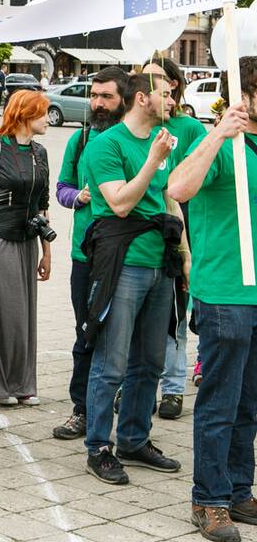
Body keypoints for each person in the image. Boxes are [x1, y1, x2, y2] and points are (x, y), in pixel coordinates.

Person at [168, 58, 257, 542]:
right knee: (220, 402)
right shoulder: (224, 145)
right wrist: (219, 133)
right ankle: (209, 500)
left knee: (250, 403)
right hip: (225, 291)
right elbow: (178, 187)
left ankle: (240, 490)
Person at [82, 72, 183, 486]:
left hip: (160, 262)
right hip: (123, 263)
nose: (173, 100)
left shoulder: (163, 141)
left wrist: (185, 257)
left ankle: (134, 439)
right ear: (142, 99)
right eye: (166, 94)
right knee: (112, 362)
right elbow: (120, 203)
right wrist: (152, 162)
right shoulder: (105, 145)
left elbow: (170, 200)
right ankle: (98, 447)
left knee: (151, 361)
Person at [52, 66, 128, 441]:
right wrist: (75, 196)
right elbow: (62, 188)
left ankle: (124, 408)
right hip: (86, 253)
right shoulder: (79, 140)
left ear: (124, 100)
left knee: (125, 337)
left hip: (126, 255)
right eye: (94, 96)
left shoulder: (132, 140)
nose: (97, 103)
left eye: (106, 97)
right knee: (86, 331)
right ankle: (80, 409)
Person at [0, 90, 52, 406]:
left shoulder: (40, 152)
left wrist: (47, 252)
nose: (48, 119)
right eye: (43, 113)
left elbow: (42, 202)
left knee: (24, 317)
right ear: (26, 114)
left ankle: (22, 383)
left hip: (28, 241)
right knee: (0, 316)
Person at [140, 56, 206, 420]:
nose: (148, 88)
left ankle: (174, 388)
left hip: (183, 227)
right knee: (144, 318)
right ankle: (142, 388)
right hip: (145, 233)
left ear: (174, 86)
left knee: (178, 314)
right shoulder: (136, 128)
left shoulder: (191, 128)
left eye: (157, 81)